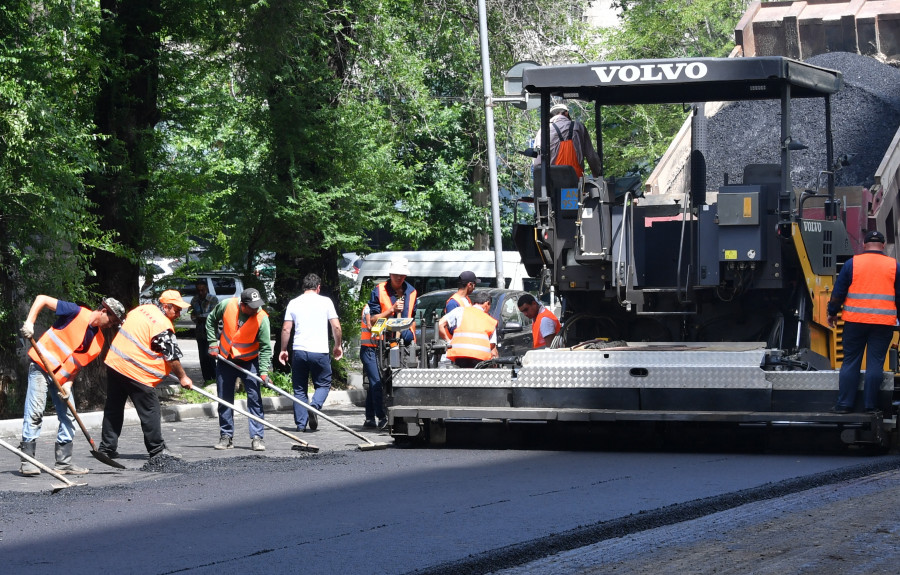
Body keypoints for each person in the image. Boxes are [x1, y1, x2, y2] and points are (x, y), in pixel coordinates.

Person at [17, 295, 126, 476]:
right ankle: (27, 461)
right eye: (112, 321)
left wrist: (68, 384)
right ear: (104, 311)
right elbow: (41, 299)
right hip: (41, 367)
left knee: (69, 417)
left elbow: (76, 365)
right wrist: (30, 323)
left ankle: (63, 463)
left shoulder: (98, 342)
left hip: (61, 379)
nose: (110, 326)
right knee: (35, 413)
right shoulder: (74, 312)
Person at [100, 290, 193, 460]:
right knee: (150, 410)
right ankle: (157, 450)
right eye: (177, 310)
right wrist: (183, 377)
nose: (179, 314)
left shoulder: (141, 310)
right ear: (166, 306)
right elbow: (172, 357)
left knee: (113, 407)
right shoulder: (162, 325)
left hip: (115, 364)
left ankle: (106, 448)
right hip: (136, 372)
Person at [827, 230, 900, 414]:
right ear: (883, 246)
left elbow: (838, 292)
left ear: (864, 245)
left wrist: (832, 312)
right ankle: (870, 407)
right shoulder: (894, 266)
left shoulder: (852, 263)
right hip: (883, 323)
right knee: (875, 363)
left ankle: (844, 405)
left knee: (850, 361)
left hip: (855, 322)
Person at [207, 288, 272, 451]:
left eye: (258, 305)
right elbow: (210, 320)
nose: (256, 309)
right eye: (253, 306)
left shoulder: (262, 318)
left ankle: (257, 437)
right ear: (243, 305)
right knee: (224, 399)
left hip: (250, 361)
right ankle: (226, 436)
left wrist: (263, 372)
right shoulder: (226, 305)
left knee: (255, 399)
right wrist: (212, 343)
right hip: (226, 359)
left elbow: (265, 347)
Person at [278, 274, 343, 432]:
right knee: (324, 384)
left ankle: (301, 424)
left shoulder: (294, 303)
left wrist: (283, 349)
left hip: (299, 351)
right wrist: (338, 345)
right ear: (318, 287)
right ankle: (314, 406)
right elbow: (336, 327)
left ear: (303, 287)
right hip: (319, 351)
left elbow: (286, 328)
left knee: (299, 389)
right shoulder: (326, 301)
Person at [532, 102, 602, 179]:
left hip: (553, 180)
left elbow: (537, 158)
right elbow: (591, 156)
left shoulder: (543, 131)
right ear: (566, 113)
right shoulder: (579, 127)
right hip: (576, 180)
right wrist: (597, 175)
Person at [438, 291, 498, 368]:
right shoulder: (491, 321)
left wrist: (449, 342)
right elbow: (493, 350)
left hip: (459, 357)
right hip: (480, 361)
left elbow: (440, 324)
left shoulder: (460, 311)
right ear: (487, 303)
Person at [367, 256, 417, 344]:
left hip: (407, 344)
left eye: (401, 275)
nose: (399, 277)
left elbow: (413, 320)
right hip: (385, 344)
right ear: (390, 274)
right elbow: (373, 320)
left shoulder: (412, 292)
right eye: (396, 274)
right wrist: (392, 310)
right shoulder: (379, 290)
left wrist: (414, 342)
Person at [359, 303, 386, 429]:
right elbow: (370, 326)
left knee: (373, 384)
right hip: (369, 350)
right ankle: (381, 417)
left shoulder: (382, 308)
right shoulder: (369, 308)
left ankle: (370, 418)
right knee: (376, 383)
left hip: (377, 350)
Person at [190, 280, 218, 383]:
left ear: (206, 289)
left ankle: (214, 378)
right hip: (199, 332)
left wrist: (201, 317)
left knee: (210, 355)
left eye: (203, 290)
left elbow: (213, 315)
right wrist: (199, 318)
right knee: (202, 357)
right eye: (198, 290)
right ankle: (206, 379)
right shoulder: (194, 300)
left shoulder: (213, 299)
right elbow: (193, 316)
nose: (201, 292)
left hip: (211, 332)